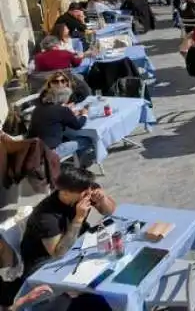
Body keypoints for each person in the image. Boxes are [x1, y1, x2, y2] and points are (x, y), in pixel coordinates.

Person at [19, 165, 116, 311]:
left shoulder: (84, 188)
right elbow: (58, 253)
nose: (89, 194)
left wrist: (102, 199)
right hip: (44, 263)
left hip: (79, 244)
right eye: (85, 192)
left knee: (115, 250)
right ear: (65, 193)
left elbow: (110, 211)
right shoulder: (46, 216)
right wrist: (78, 219)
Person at [27, 86, 90, 161]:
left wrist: (68, 112)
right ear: (64, 99)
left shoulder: (38, 108)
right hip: (49, 152)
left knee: (68, 137)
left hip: (32, 149)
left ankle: (74, 160)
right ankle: (78, 163)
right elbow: (78, 125)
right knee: (86, 140)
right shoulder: (62, 110)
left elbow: (53, 117)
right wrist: (84, 114)